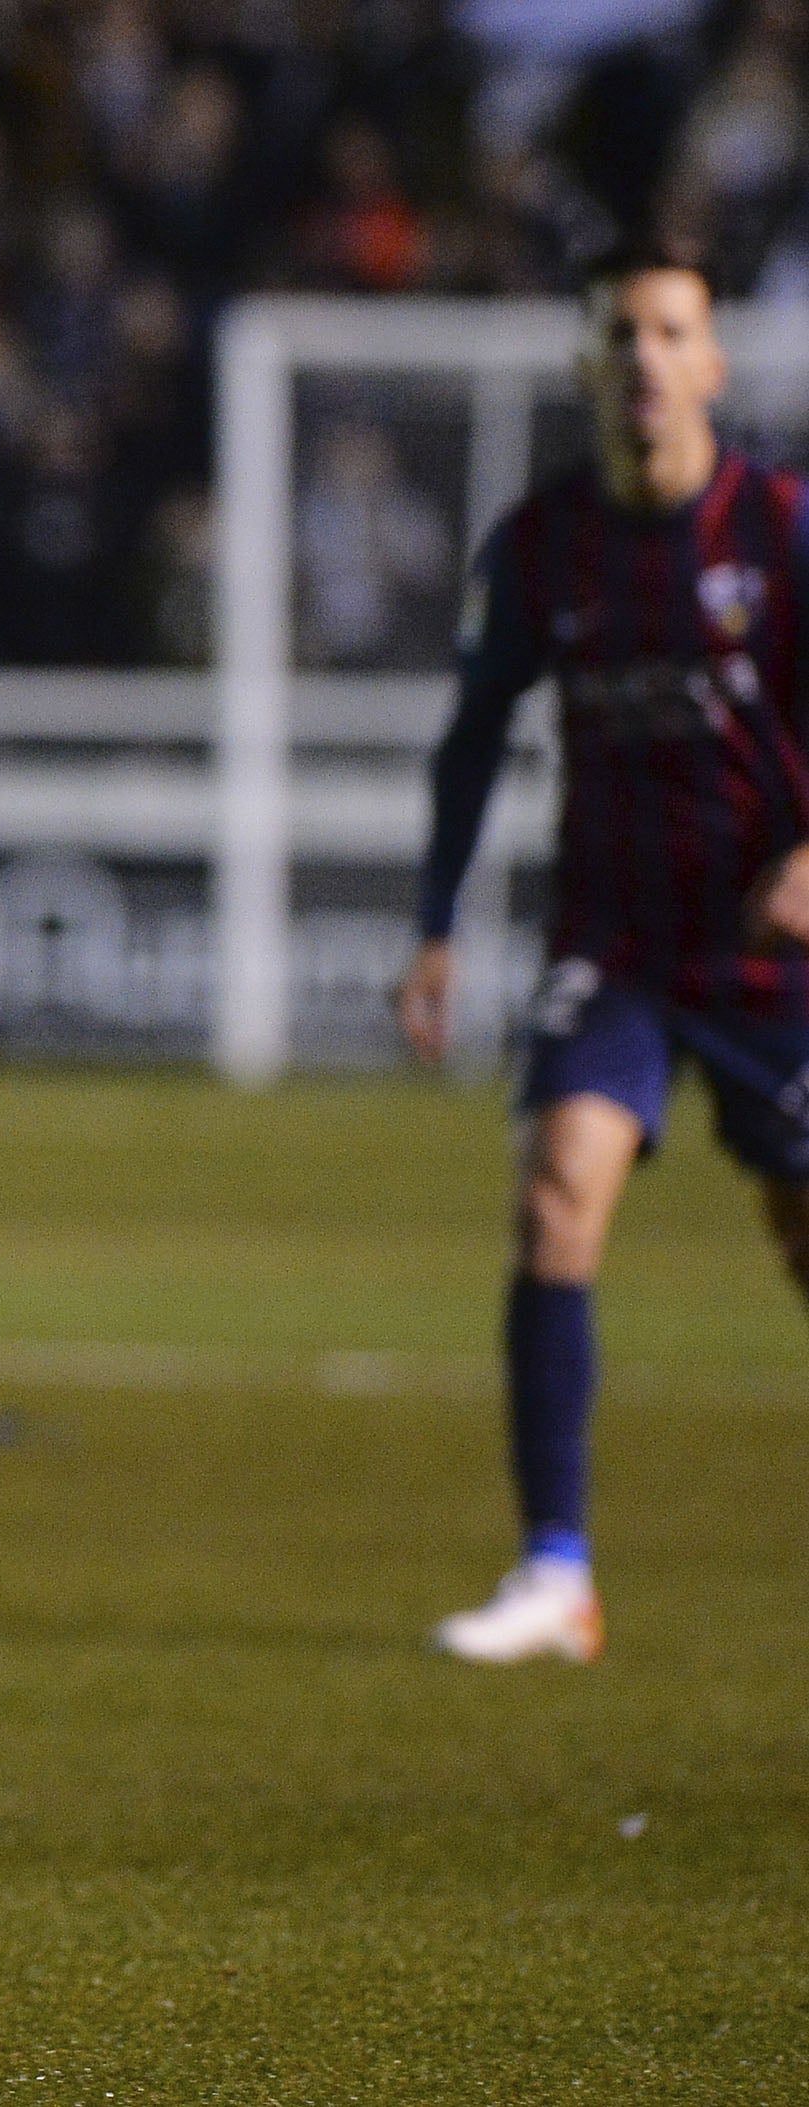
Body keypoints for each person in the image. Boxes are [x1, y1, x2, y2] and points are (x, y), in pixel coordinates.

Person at [403, 246, 809, 1664]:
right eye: (620, 332)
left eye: (670, 331)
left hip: (772, 952)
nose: (643, 355)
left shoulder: (780, 528)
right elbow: (467, 746)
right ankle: (554, 1569)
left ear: (710, 363)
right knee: (555, 1197)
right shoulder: (537, 545)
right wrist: (434, 923)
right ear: (588, 363)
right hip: (617, 941)